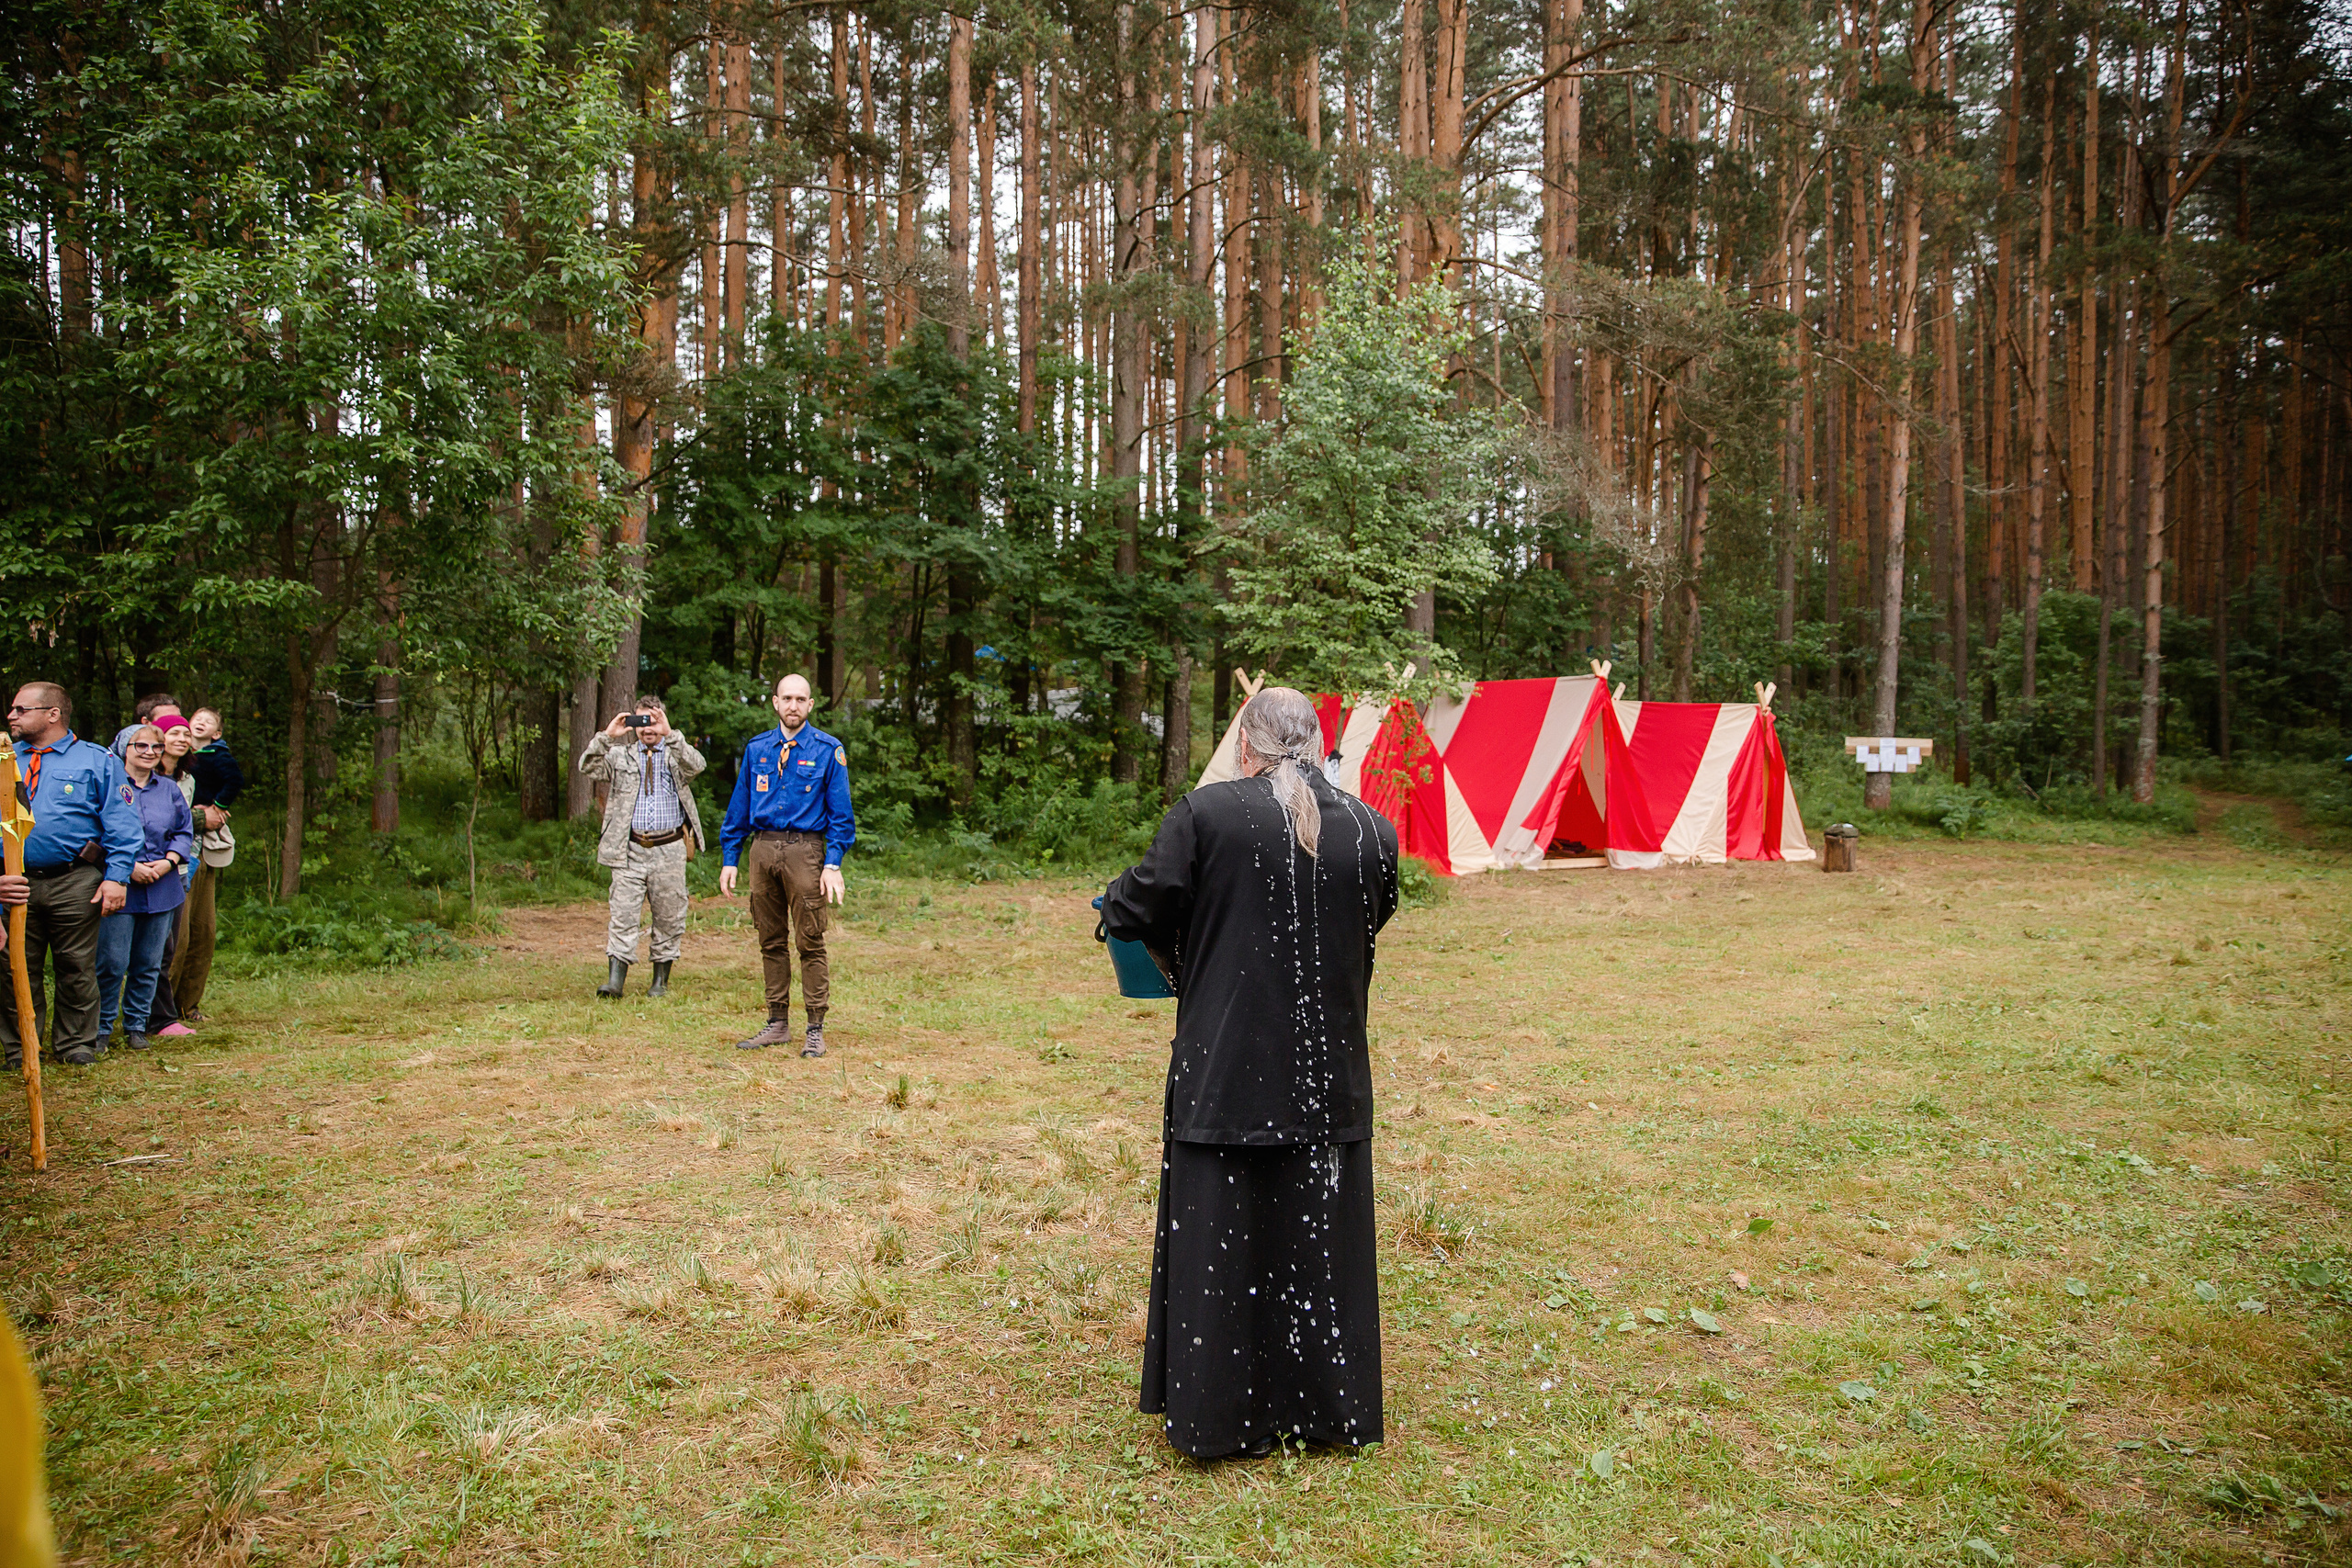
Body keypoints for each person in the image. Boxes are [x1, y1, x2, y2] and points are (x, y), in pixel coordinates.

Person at [1102, 685, 1400, 1461]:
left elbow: (1133, 906)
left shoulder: (1206, 816)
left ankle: (1220, 1417)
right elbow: (1373, 912)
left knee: (1223, 1241)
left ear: (1246, 746)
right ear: (1317, 745)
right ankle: (1322, 1413)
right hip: (1325, 1070)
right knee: (1314, 1237)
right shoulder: (1374, 831)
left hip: (1227, 1064)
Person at [3, 683, 140, 1068]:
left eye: (20, 709)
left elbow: (122, 823)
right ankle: (20, 1048)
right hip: (13, 881)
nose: (11, 715)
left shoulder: (96, 760)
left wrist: (116, 877)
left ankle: (75, 1044)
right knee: (15, 967)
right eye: (11, 709)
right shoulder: (3, 758)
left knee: (77, 965)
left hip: (74, 879)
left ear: (53, 714)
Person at [718, 674, 853, 1056]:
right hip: (762, 850)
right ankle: (777, 1023)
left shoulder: (829, 750)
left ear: (811, 705)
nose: (793, 705)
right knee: (770, 940)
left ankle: (815, 1026)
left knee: (810, 938)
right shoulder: (757, 749)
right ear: (775, 702)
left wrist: (833, 862)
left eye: (801, 699)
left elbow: (842, 816)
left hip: (805, 851)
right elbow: (739, 808)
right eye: (787, 698)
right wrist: (731, 858)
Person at [578, 694, 706, 999]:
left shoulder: (676, 755)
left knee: (670, 915)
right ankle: (614, 982)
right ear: (632, 723)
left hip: (670, 848)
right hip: (630, 849)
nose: (647, 729)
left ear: (661, 720)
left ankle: (660, 981)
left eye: (653, 720)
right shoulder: (621, 756)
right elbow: (587, 766)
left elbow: (697, 765)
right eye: (641, 721)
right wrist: (607, 736)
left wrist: (671, 733)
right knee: (622, 914)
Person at [91, 726, 192, 1053]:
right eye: (141, 745)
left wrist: (169, 862)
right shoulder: (109, 787)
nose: (150, 752)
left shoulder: (169, 789)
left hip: (163, 885)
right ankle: (101, 1029)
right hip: (122, 883)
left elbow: (183, 830)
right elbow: (95, 832)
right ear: (124, 748)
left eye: (156, 747)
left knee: (149, 962)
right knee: (112, 962)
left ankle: (136, 1026)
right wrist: (127, 866)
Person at [174, 705, 243, 1021]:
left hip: (202, 851)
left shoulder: (211, 756)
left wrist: (218, 807)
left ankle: (187, 1005)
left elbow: (233, 781)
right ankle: (157, 1012)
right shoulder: (157, 767)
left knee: (203, 932)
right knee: (178, 936)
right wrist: (204, 816)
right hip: (172, 858)